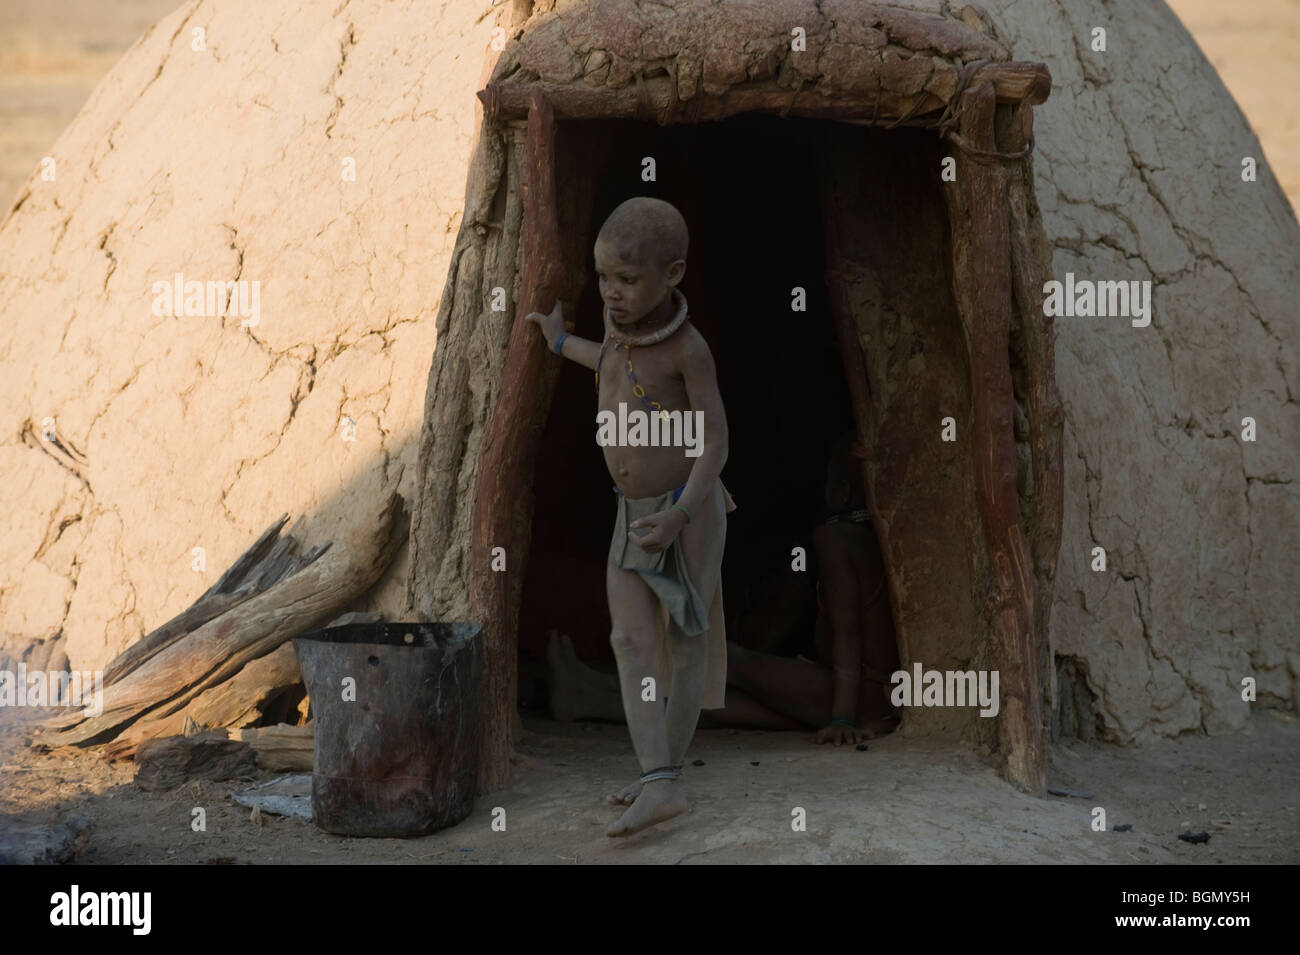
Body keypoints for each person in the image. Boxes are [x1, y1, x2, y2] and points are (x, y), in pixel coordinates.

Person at [547, 429, 901, 807]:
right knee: (716, 706)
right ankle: (586, 697)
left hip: (861, 699)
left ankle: (593, 696)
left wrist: (843, 720)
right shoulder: (872, 536)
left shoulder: (837, 538)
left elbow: (848, 634)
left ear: (842, 488)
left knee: (725, 663)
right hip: (878, 699)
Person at [526, 196, 733, 837]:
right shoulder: (620, 328)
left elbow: (716, 444)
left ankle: (662, 778)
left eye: (628, 280)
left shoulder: (688, 351)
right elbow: (610, 363)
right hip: (630, 516)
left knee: (685, 637)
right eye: (604, 279)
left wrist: (678, 516)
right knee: (627, 640)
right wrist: (560, 341)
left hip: (688, 514)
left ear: (671, 275)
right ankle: (657, 777)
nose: (612, 294)